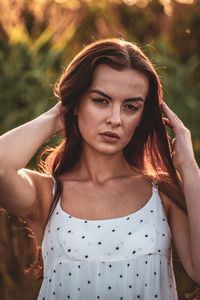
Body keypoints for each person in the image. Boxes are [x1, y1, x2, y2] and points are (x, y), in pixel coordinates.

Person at [0, 38, 199, 300]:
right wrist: (55, 117)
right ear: (76, 103)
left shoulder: (162, 192)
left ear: (142, 116)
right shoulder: (47, 195)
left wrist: (189, 168)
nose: (115, 119)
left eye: (131, 106)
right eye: (101, 100)